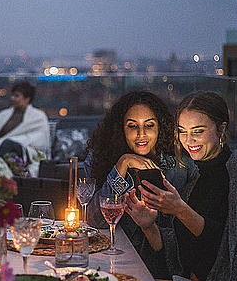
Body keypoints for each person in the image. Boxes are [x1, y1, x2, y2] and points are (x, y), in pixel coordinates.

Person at [127, 91, 237, 281]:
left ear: (221, 129)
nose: (189, 140)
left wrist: (180, 210)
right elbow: (181, 248)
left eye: (198, 131)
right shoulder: (196, 178)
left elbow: (230, 247)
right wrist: (148, 226)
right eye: (182, 131)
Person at [84, 91, 196, 249]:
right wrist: (122, 165)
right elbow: (96, 221)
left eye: (149, 125)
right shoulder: (98, 158)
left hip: (163, 261)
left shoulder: (180, 165)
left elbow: (188, 230)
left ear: (160, 127)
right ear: (121, 128)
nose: (141, 134)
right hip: (113, 253)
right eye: (132, 126)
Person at [0, 81, 50, 177]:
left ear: (27, 99)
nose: (12, 98)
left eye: (16, 96)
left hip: (25, 150)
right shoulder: (4, 114)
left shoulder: (38, 116)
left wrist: (14, 141)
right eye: (12, 95)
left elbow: (41, 139)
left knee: (7, 145)